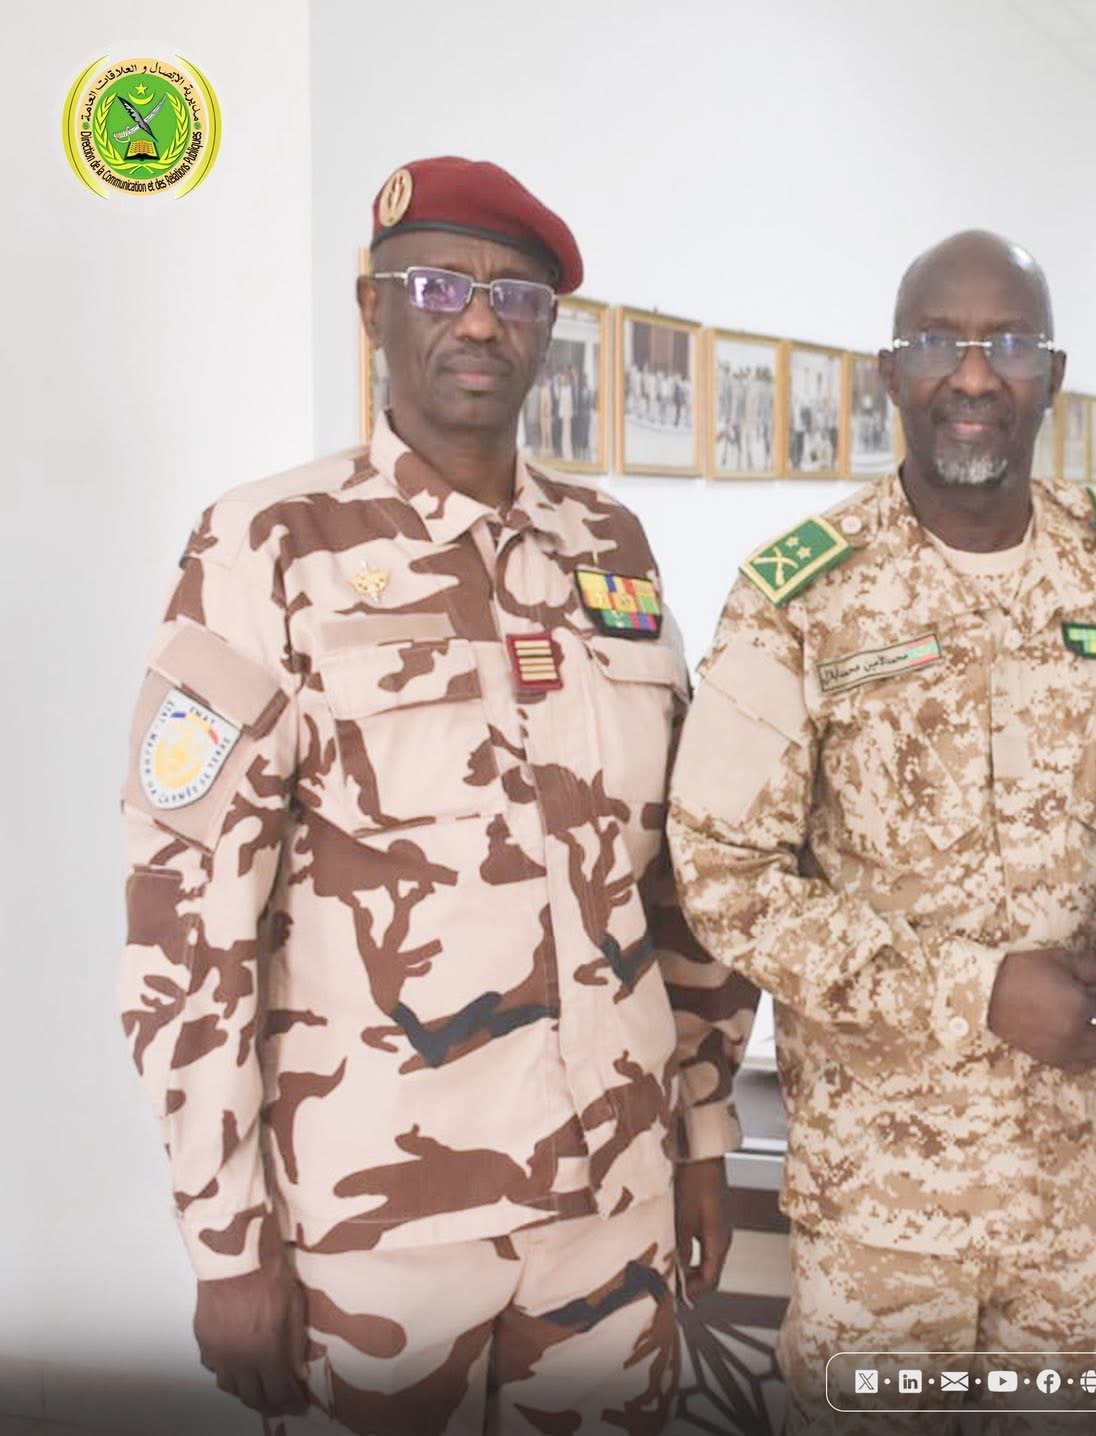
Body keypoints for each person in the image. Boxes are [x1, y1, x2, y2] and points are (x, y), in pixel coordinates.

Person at [116, 155, 754, 1435]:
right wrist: (225, 1236)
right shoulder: (267, 545)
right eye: (437, 286)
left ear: (546, 333)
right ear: (373, 311)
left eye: (514, 296)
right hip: (382, 1227)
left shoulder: (610, 548)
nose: (477, 320)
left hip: (612, 1201)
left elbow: (676, 875)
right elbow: (187, 914)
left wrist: (698, 1130)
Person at [667, 230, 1096, 1433]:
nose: (973, 375)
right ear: (890, 371)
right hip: (882, 1214)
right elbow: (722, 875)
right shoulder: (801, 593)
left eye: (1007, 343)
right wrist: (978, 990)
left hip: (1079, 1196)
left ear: (1050, 374)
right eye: (938, 343)